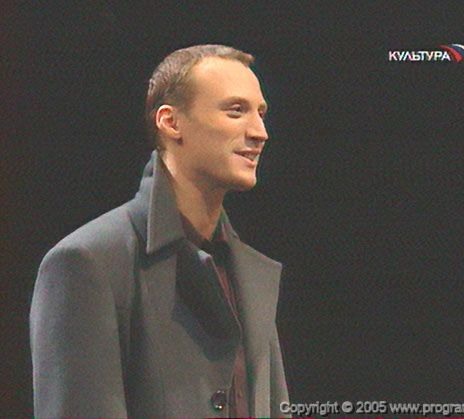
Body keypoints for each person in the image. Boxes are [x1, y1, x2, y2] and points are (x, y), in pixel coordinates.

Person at [30, 44, 290, 418]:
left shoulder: (247, 273)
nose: (259, 132)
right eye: (236, 111)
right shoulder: (88, 263)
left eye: (261, 113)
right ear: (170, 122)